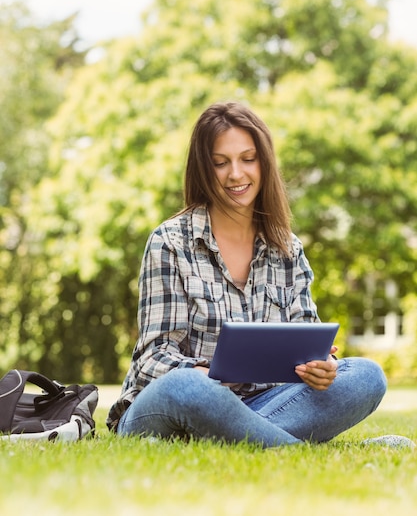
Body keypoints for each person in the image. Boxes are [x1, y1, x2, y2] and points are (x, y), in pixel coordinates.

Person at [107, 102, 413, 449]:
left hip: (261, 404)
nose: (235, 174)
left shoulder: (287, 248)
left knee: (366, 376)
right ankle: (301, 451)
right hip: (170, 408)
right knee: (188, 387)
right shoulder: (171, 242)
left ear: (264, 163)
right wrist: (208, 376)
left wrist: (322, 367)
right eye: (220, 163)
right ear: (203, 171)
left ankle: (241, 438)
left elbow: (307, 341)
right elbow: (152, 358)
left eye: (247, 159)